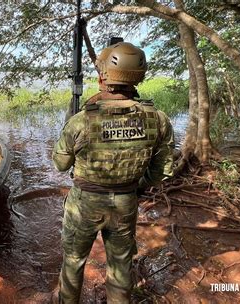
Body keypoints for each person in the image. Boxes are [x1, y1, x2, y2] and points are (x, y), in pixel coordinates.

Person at [52, 42, 174, 303]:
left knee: (73, 262)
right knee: (120, 267)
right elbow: (161, 171)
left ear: (102, 78)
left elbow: (60, 164)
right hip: (126, 202)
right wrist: (136, 185)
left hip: (85, 203)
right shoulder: (157, 118)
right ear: (137, 77)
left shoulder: (82, 120)